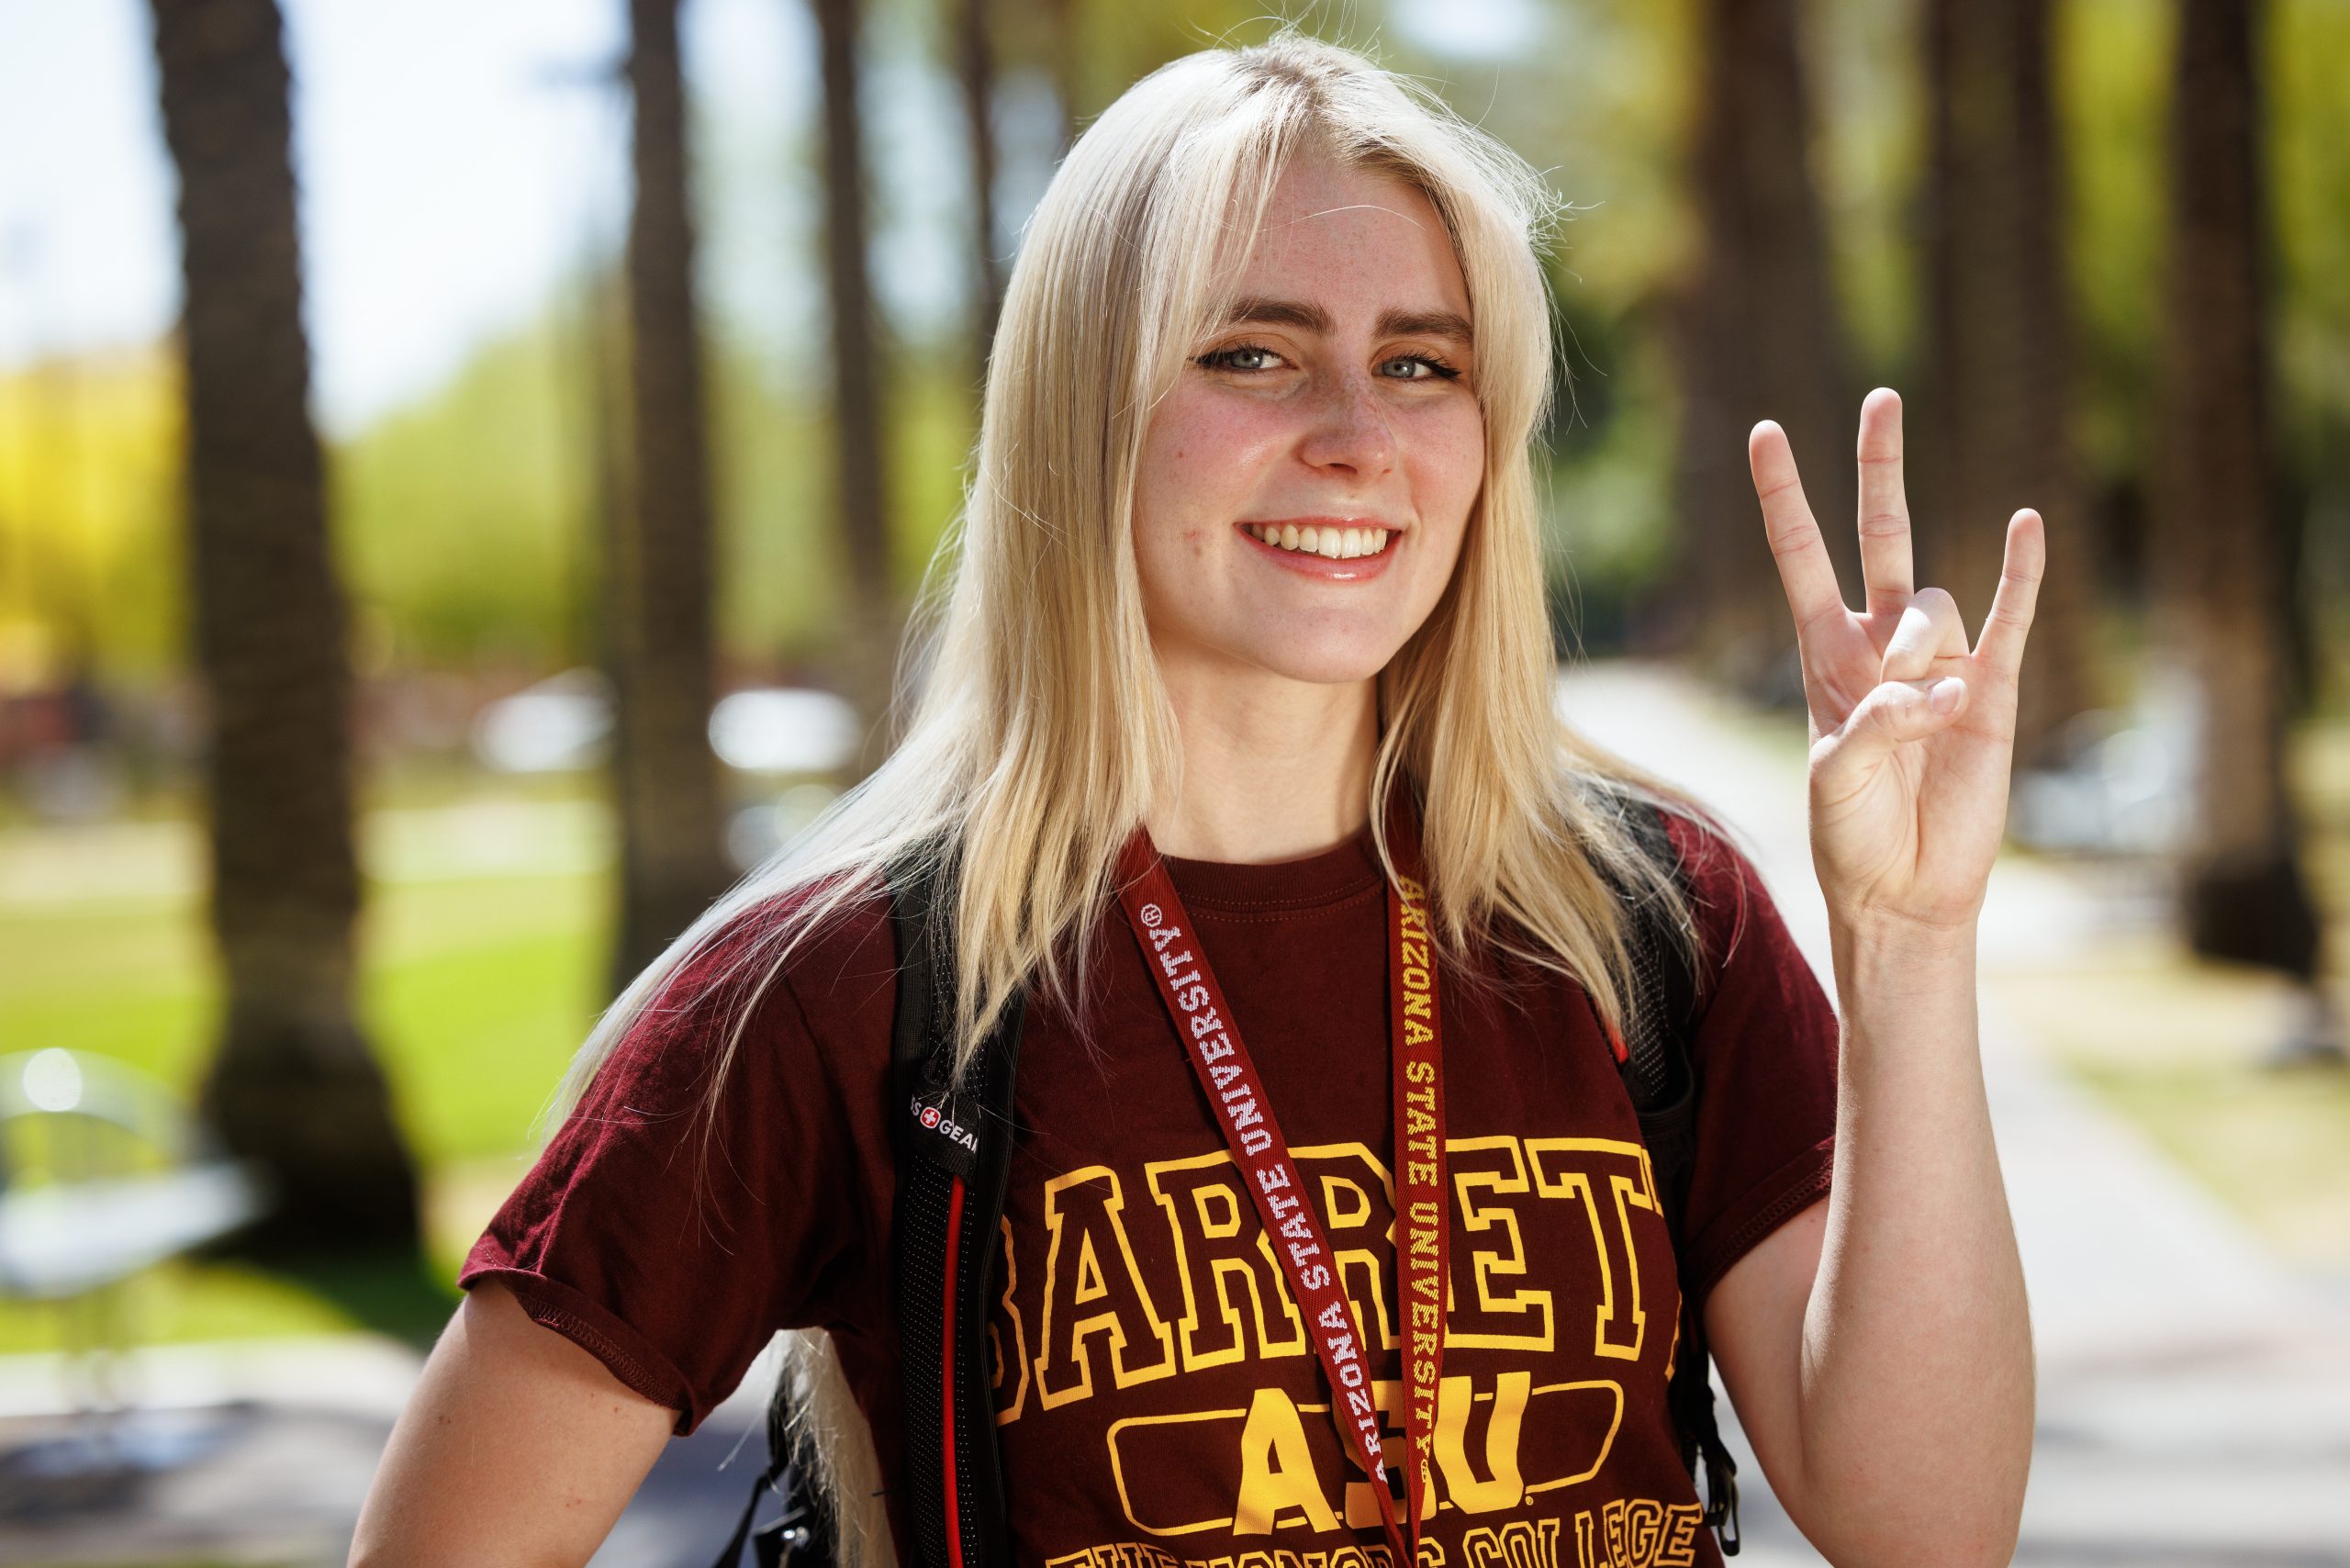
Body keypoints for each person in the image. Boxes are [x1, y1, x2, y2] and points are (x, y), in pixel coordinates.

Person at [350, 29, 2036, 1568]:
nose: (1357, 437)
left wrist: (1908, 936)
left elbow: (1931, 1531)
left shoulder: (1650, 929)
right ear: (1089, 412)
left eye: (1423, 366)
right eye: (1252, 353)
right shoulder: (847, 995)